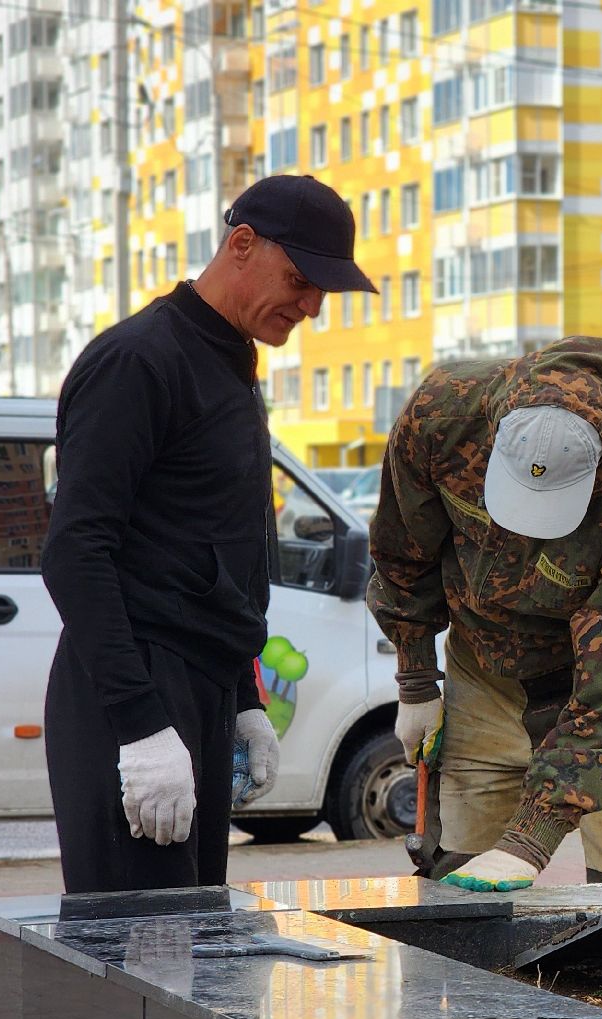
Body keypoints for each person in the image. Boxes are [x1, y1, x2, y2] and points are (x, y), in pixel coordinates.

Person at [41, 174, 376, 893]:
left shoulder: (231, 370)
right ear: (242, 245)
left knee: (189, 950)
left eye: (324, 292)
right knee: (137, 961)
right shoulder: (139, 360)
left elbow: (219, 560)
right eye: (301, 279)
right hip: (135, 686)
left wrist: (247, 699)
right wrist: (140, 726)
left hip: (200, 687)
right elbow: (74, 551)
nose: (312, 306)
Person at [367, 337, 602, 893]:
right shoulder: (442, 414)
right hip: (484, 673)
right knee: (460, 892)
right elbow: (404, 552)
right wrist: (416, 680)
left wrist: (530, 840)